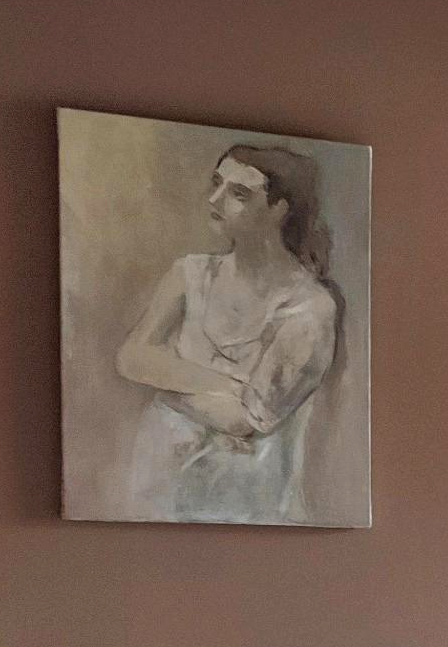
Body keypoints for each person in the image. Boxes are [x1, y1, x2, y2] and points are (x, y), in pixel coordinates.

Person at [117, 144, 342, 523]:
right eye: (217, 183)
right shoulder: (191, 274)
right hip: (159, 488)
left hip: (249, 504)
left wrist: (163, 378)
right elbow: (130, 358)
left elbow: (245, 420)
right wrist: (231, 383)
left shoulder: (310, 307)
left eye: (239, 193)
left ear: (278, 210)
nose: (216, 199)